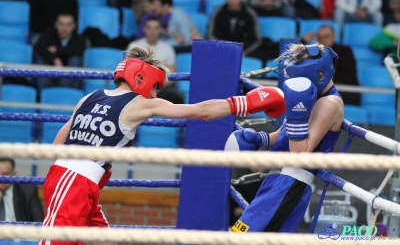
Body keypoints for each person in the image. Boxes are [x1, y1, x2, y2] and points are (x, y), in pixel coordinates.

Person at [39, 45, 286, 245]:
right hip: (75, 182)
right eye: (156, 87)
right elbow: (201, 112)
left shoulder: (89, 96)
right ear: (141, 78)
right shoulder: (140, 103)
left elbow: (58, 142)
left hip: (71, 179)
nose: (156, 94)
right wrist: (248, 102)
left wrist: (92, 167)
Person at [226, 43, 344, 233]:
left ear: (320, 74)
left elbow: (299, 152)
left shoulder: (329, 103)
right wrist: (259, 140)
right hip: (276, 178)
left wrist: (297, 111)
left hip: (291, 182)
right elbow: (282, 136)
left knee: (240, 236)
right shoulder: (310, 98)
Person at [207, 0, 279, 63]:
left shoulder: (250, 14)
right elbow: (211, 34)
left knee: (264, 54)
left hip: (244, 51)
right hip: (221, 50)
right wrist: (223, 49)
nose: (233, 1)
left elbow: (256, 39)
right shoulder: (217, 12)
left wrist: (243, 52)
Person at [126, 17, 184, 104]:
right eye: (149, 28)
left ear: (160, 30)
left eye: (156, 28)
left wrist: (156, 87)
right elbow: (128, 71)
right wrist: (144, 86)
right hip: (139, 87)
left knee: (177, 97)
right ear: (144, 29)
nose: (152, 32)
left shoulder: (168, 48)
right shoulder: (134, 47)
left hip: (161, 88)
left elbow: (171, 75)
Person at [302, 25, 361, 106]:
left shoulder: (345, 51)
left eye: (326, 36)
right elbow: (290, 55)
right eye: (319, 37)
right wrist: (303, 40)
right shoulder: (315, 53)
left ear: (334, 36)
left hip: (344, 91)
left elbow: (348, 75)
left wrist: (324, 80)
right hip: (323, 91)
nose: (323, 39)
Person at [34, 12, 86, 91]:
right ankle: (44, 91)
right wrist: (54, 59)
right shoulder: (49, 34)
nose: (64, 28)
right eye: (61, 24)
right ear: (56, 25)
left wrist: (57, 50)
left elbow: (79, 50)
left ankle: (64, 90)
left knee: (76, 59)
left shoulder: (78, 38)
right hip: (51, 72)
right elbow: (39, 46)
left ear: (74, 26)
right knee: (40, 58)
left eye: (68, 25)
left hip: (68, 78)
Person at [136, 0, 202, 48]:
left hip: (193, 49)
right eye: (152, 4)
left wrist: (163, 44)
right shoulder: (157, 17)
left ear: (165, 6)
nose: (152, 7)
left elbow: (186, 41)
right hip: (173, 48)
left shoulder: (179, 15)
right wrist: (172, 42)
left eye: (155, 5)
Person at [0, 157, 44, 222]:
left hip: (20, 231)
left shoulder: (28, 191)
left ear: (14, 174)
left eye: (5, 174)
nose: (1, 178)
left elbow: (39, 220)